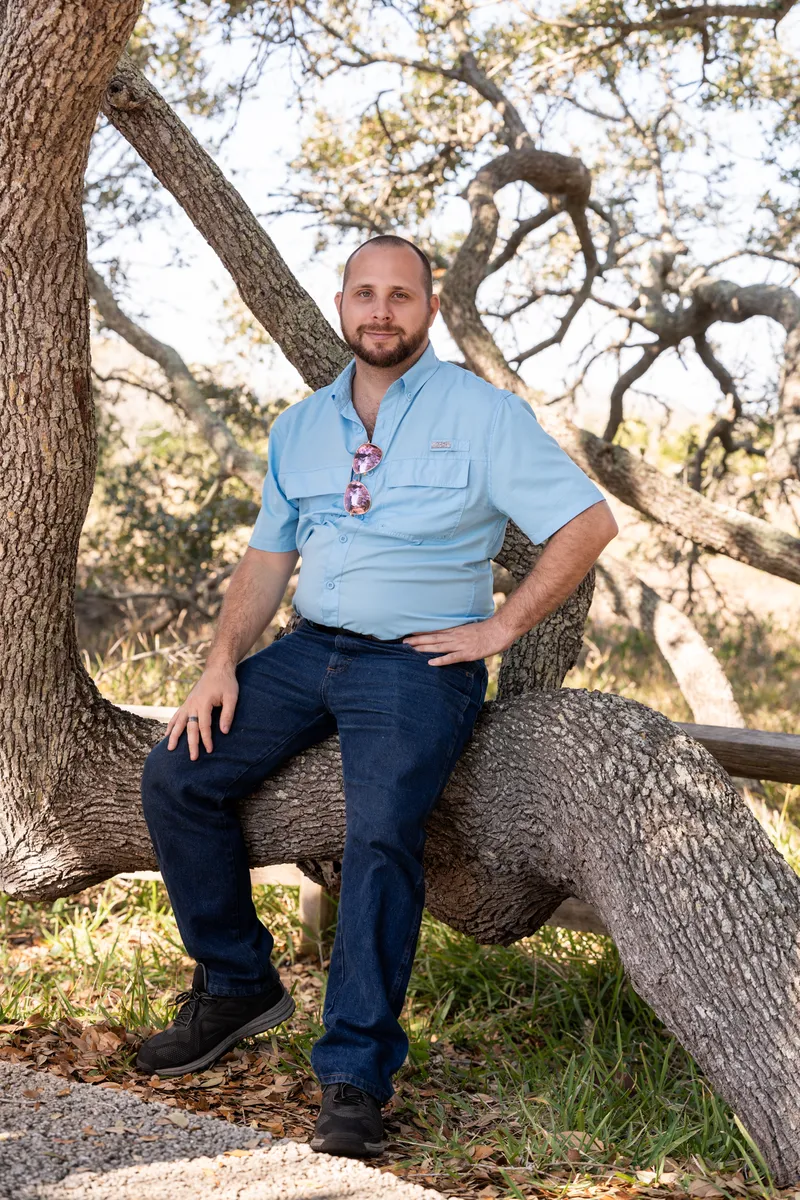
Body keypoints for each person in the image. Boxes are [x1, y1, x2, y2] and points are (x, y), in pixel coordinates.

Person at [136, 234, 618, 1158]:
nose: (382, 311)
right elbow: (270, 555)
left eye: (401, 295)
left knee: (380, 833)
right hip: (309, 647)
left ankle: (355, 1072)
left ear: (429, 310)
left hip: (416, 663)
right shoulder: (303, 426)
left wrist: (501, 627)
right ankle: (237, 983)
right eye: (366, 293)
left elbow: (587, 520)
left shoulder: (482, 414)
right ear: (343, 304)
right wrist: (221, 661)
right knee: (178, 774)